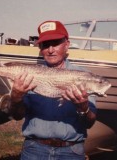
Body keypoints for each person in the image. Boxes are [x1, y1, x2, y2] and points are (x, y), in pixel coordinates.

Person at [8, 20, 97, 160]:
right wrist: (16, 97)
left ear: (67, 45)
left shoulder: (83, 76)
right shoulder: (29, 74)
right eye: (45, 45)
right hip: (34, 150)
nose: (50, 50)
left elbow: (90, 123)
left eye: (55, 43)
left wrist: (84, 108)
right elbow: (17, 116)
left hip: (71, 151)